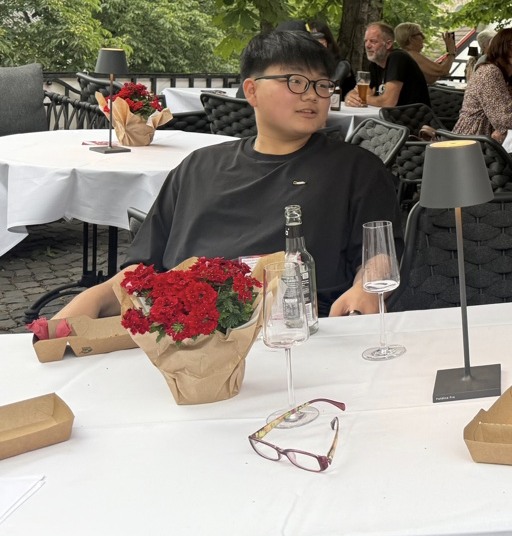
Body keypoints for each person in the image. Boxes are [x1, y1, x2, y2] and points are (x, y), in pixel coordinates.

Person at [56, 29, 400, 321]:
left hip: (299, 332)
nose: (312, 95)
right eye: (295, 81)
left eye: (322, 85)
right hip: (183, 335)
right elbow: (142, 270)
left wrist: (367, 288)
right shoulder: (198, 167)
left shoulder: (357, 170)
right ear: (251, 91)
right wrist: (96, 298)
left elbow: (379, 256)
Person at [452, 27, 512, 142]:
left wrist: (508, 126)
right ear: (503, 48)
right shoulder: (489, 72)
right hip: (472, 139)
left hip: (500, 140)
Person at [346, 21, 432, 108]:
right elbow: (356, 91)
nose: (367, 45)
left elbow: (388, 102)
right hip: (392, 115)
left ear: (388, 44)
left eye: (373, 41)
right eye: (366, 41)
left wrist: (364, 98)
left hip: (414, 115)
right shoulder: (375, 65)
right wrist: (351, 98)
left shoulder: (398, 58)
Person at [278, 18, 354, 98]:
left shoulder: (341, 65)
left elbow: (327, 88)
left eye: (318, 40)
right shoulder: (307, 64)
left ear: (326, 43)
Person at [395, 22, 455, 86]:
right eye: (420, 34)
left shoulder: (405, 54)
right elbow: (443, 71)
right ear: (411, 39)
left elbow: (430, 79)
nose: (424, 37)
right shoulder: (412, 55)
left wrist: (448, 57)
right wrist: (451, 53)